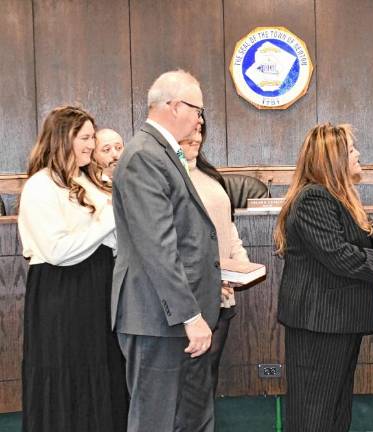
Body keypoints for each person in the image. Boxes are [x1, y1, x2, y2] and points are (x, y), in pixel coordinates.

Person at [274, 123, 373, 432]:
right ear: (333, 158)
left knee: (335, 413)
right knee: (314, 416)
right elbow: (338, 255)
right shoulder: (314, 199)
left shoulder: (338, 198)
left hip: (338, 320)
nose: (358, 154)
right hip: (320, 325)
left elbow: (345, 254)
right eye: (351, 149)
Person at [111, 70, 221, 431]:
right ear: (175, 106)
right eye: (197, 109)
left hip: (169, 316)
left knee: (185, 418)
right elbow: (158, 249)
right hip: (158, 318)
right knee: (156, 421)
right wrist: (191, 316)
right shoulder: (144, 156)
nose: (200, 119)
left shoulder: (161, 152)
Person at [18, 105, 128, 432]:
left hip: (97, 290)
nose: (92, 145)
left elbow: (115, 240)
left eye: (93, 137)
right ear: (62, 139)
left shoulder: (90, 180)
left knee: (101, 374)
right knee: (65, 379)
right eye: (85, 137)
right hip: (61, 294)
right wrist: (107, 220)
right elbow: (56, 251)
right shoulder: (40, 186)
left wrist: (112, 227)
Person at [178, 120, 248, 395]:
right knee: (188, 376)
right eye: (190, 129)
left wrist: (240, 267)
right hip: (188, 294)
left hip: (222, 290)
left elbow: (227, 227)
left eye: (199, 130)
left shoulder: (211, 176)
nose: (196, 136)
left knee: (209, 371)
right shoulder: (168, 177)